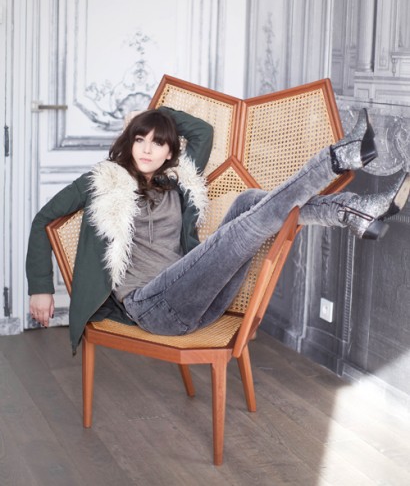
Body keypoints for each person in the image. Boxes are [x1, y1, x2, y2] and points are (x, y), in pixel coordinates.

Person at [26, 106, 410, 353]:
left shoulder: (177, 179)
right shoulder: (102, 181)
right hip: (152, 307)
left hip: (198, 299)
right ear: (128, 143)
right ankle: (340, 172)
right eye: (139, 139)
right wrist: (40, 288)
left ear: (170, 152)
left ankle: (350, 210)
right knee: (240, 230)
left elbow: (202, 131)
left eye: (157, 143)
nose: (146, 149)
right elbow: (43, 217)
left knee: (249, 201)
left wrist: (153, 115)